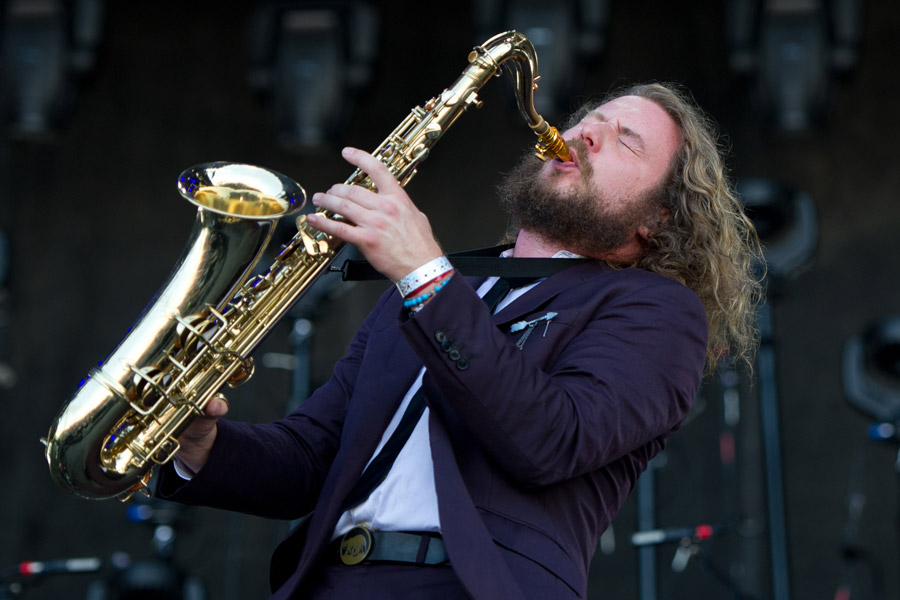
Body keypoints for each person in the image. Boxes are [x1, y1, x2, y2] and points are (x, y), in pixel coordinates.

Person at [156, 82, 761, 599]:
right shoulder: (432, 291)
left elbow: (552, 438)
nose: (584, 135)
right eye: (587, 121)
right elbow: (313, 457)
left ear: (656, 219)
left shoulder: (656, 310)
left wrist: (425, 276)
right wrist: (202, 444)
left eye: (626, 139)